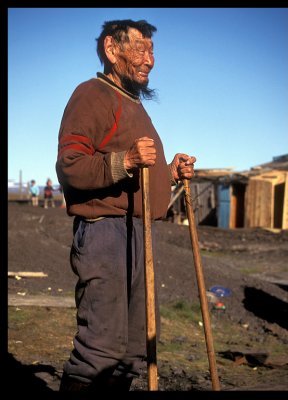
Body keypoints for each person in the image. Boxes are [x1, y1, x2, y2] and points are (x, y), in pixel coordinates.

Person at [56, 19, 196, 393]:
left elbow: (137, 176)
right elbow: (70, 167)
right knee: (100, 350)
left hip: (137, 234)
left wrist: (169, 172)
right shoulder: (92, 95)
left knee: (136, 349)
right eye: (140, 48)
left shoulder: (133, 104)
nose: (149, 59)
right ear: (111, 48)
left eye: (152, 51)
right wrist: (127, 161)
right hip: (105, 233)